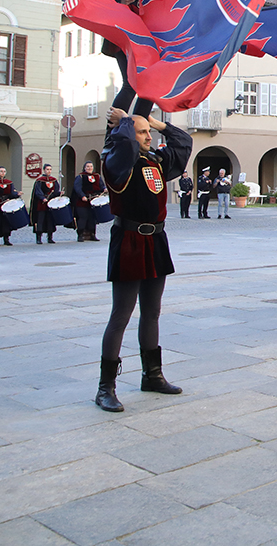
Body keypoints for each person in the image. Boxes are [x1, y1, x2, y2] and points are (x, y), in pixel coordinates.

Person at [95, 107, 192, 413]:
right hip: (129, 240)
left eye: (148, 132)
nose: (148, 137)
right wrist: (124, 123)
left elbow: (183, 142)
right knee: (121, 314)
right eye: (142, 132)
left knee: (152, 312)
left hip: (156, 240)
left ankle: (152, 375)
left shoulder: (155, 161)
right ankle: (105, 388)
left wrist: (155, 122)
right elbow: (121, 145)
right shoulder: (116, 162)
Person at [73, 161, 107, 242]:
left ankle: (92, 234)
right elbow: (77, 188)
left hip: (94, 201)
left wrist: (104, 189)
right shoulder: (80, 177)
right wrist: (82, 196)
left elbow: (101, 185)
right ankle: (80, 235)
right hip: (83, 201)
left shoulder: (97, 176)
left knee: (92, 218)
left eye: (91, 166)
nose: (89, 168)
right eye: (87, 166)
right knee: (83, 218)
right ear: (84, 168)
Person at [31, 164, 62, 245]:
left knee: (50, 220)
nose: (49, 171)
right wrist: (42, 198)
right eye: (47, 169)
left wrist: (59, 193)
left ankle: (50, 237)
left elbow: (55, 190)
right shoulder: (40, 180)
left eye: (50, 169)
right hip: (42, 204)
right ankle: (39, 238)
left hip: (51, 203)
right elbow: (38, 191)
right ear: (44, 170)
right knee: (40, 220)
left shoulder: (54, 180)